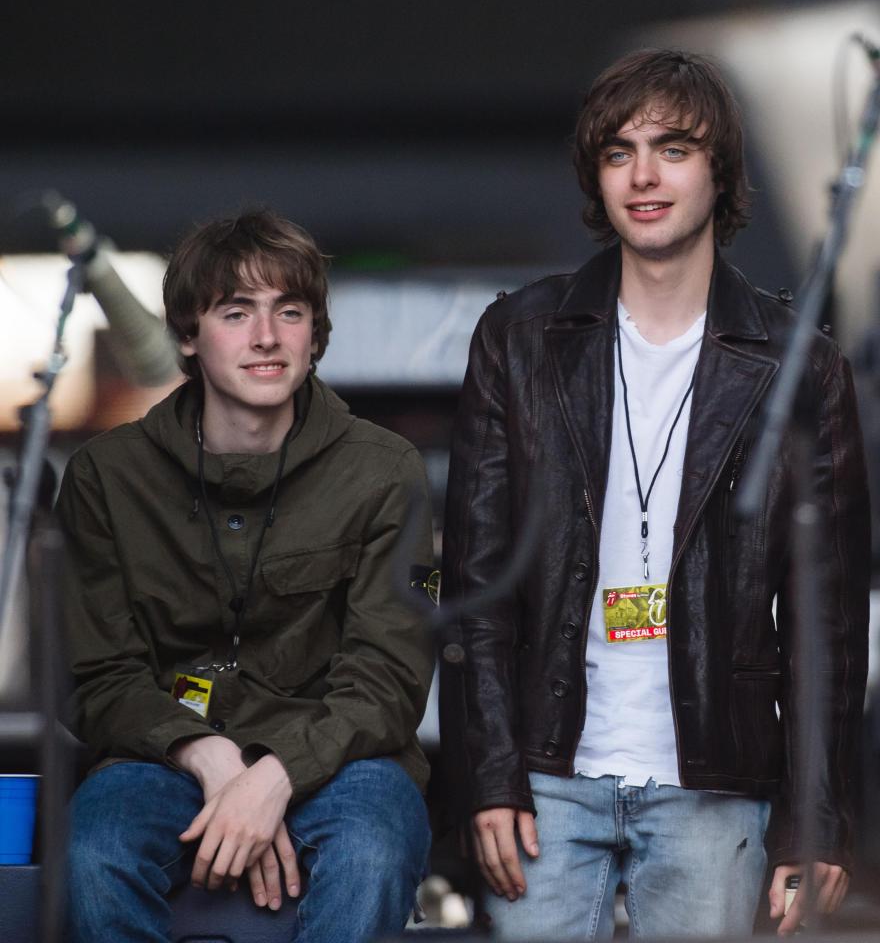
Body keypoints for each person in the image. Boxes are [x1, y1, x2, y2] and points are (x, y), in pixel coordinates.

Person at [439, 48, 870, 940]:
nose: (644, 174)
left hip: (715, 774)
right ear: (596, 177)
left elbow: (827, 621)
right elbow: (475, 588)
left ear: (722, 173)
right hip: (546, 771)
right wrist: (489, 775)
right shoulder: (519, 339)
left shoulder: (799, 367)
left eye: (674, 148)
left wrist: (816, 819)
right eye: (620, 151)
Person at [58, 209, 436, 942]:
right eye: (237, 312)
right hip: (164, 755)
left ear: (315, 336)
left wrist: (273, 779)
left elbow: (390, 676)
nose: (267, 337)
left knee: (371, 852)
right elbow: (97, 676)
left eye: (289, 312)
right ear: (189, 336)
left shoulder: (385, 469)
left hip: (344, 763)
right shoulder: (107, 476)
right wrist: (213, 762)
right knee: (96, 853)